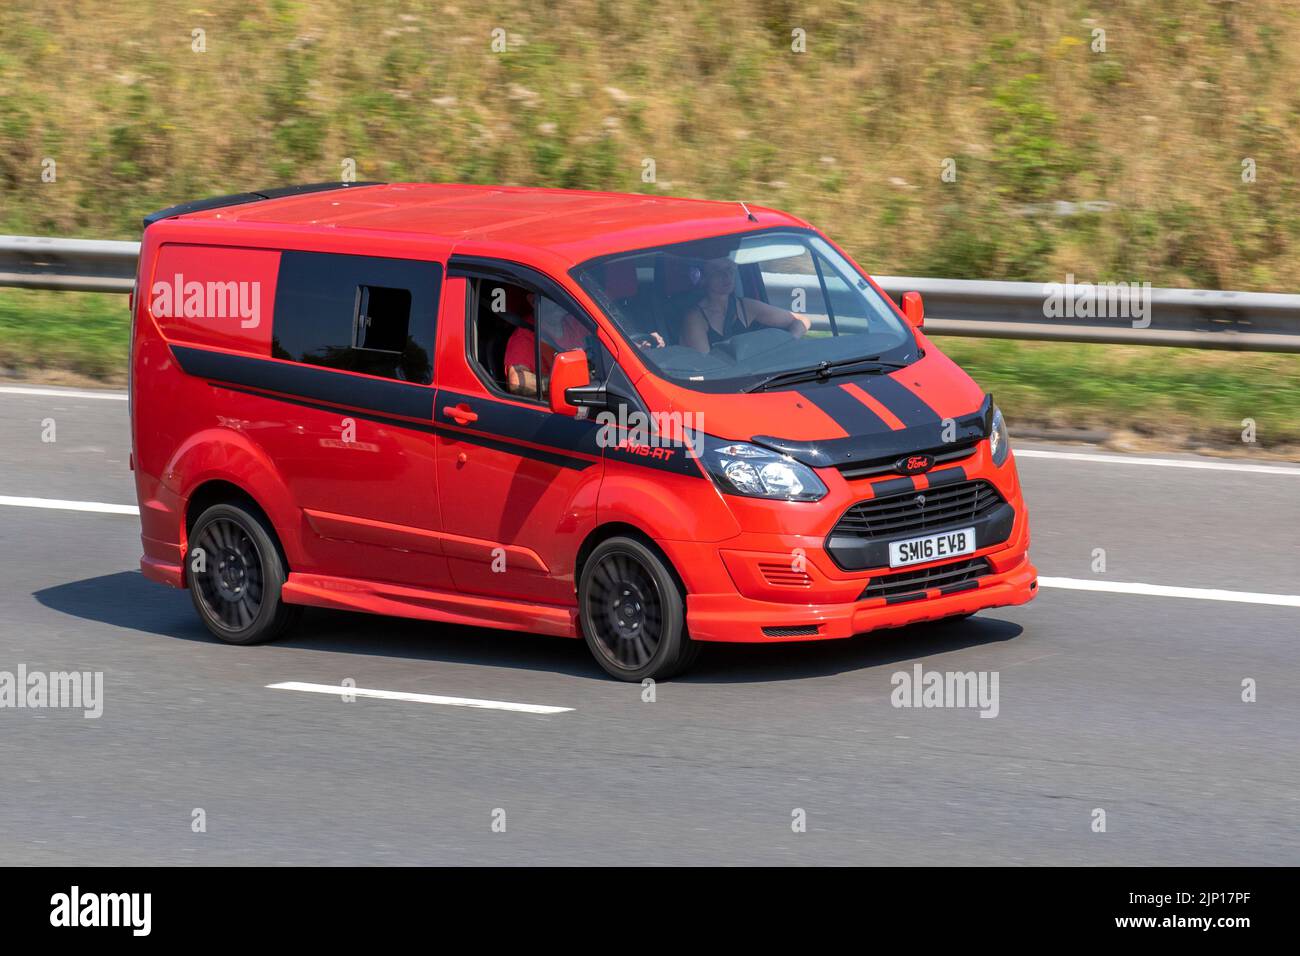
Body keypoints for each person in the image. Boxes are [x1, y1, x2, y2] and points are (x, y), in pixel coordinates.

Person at [680, 257, 810, 353]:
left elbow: (802, 321)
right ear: (702, 278)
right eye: (717, 271)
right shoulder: (695, 318)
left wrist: (789, 341)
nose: (726, 276)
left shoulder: (746, 306)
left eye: (730, 269)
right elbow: (705, 366)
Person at [505, 294, 589, 398]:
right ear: (533, 301)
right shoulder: (525, 337)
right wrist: (563, 381)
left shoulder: (571, 321)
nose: (560, 301)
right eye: (552, 297)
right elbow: (517, 383)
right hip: (552, 410)